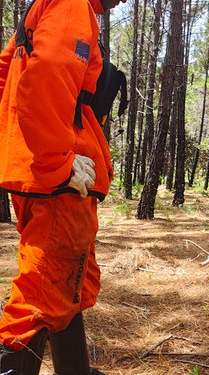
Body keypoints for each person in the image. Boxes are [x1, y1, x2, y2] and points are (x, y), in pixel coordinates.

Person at [0, 0, 126, 374]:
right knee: (46, 288)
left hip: (38, 168)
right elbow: (49, 70)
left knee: (64, 281)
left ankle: (76, 370)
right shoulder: (72, 4)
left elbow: (6, 73)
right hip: (56, 175)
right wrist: (57, 158)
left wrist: (24, 148)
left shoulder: (48, 7)